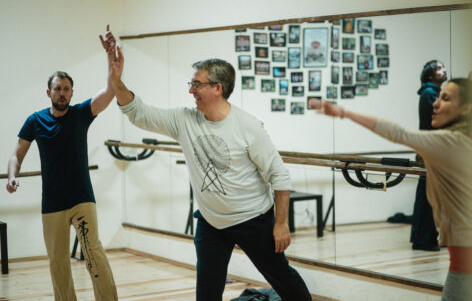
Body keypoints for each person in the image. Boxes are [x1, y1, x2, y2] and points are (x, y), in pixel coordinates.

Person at [101, 29, 311, 301]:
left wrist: (280, 225)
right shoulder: (185, 121)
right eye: (191, 84)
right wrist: (116, 80)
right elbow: (139, 113)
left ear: (217, 88)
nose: (191, 90)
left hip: (254, 220)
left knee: (282, 278)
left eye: (196, 84)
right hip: (212, 224)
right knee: (207, 292)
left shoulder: (248, 127)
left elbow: (279, 176)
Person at [309, 77, 472, 301]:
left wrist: (344, 113)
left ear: (466, 108)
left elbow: (398, 133)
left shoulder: (449, 142)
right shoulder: (462, 139)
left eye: (445, 98)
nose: (435, 103)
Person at [5, 26, 118, 301]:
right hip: (52, 203)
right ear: (49, 92)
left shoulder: (81, 113)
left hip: (82, 199)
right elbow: (15, 155)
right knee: (58, 263)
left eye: (67, 89)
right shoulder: (35, 120)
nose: (62, 93)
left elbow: (109, 93)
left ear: (71, 92)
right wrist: (11, 176)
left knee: (94, 255)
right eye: (58, 89)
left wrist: (111, 59)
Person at [412, 60, 447, 251]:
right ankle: (423, 238)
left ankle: (424, 237)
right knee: (428, 197)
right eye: (440, 68)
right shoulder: (429, 93)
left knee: (428, 196)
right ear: (430, 75)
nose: (444, 70)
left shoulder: (432, 92)